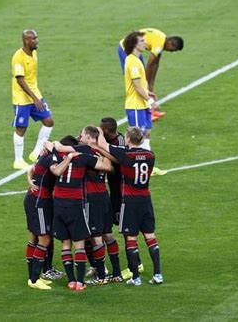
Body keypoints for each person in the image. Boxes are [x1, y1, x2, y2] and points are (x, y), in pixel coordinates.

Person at [54, 126, 123, 285]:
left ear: (89, 137)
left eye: (82, 135)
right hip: (104, 196)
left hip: (91, 198)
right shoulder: (101, 151)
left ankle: (101, 275)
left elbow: (59, 147)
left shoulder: (84, 150)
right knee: (108, 234)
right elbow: (110, 167)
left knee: (96, 238)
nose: (80, 138)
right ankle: (116, 272)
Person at [96, 126, 163, 286]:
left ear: (127, 139)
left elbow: (103, 145)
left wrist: (99, 130)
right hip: (146, 200)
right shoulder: (150, 155)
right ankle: (158, 274)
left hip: (130, 202)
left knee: (131, 238)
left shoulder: (125, 155)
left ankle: (135, 277)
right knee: (150, 236)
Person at [122, 30, 167, 175]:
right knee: (134, 137)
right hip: (135, 105)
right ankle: (125, 168)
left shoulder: (138, 58)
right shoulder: (132, 61)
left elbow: (141, 85)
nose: (145, 42)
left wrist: (147, 92)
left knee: (147, 133)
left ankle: (148, 166)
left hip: (142, 104)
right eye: (141, 41)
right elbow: (136, 86)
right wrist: (151, 100)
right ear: (134, 44)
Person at [118, 28, 183, 121]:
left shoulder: (161, 40)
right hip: (125, 48)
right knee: (136, 82)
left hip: (134, 49)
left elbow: (156, 64)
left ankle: (149, 110)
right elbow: (150, 64)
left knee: (142, 83)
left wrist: (151, 83)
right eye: (173, 49)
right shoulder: (159, 45)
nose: (172, 52)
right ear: (171, 43)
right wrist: (147, 84)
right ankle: (143, 109)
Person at [11, 29, 54, 169]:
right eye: (34, 38)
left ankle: (36, 152)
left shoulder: (34, 53)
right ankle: (18, 161)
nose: (37, 41)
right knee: (21, 128)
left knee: (49, 121)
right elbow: (20, 80)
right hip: (22, 98)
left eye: (37, 37)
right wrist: (34, 98)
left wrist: (36, 96)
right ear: (26, 41)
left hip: (35, 94)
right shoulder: (18, 57)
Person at [24, 141, 58, 290]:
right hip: (39, 202)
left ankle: (33, 276)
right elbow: (56, 172)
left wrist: (30, 181)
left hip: (36, 199)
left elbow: (30, 170)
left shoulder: (44, 155)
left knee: (35, 236)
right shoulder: (51, 158)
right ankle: (34, 279)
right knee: (44, 238)